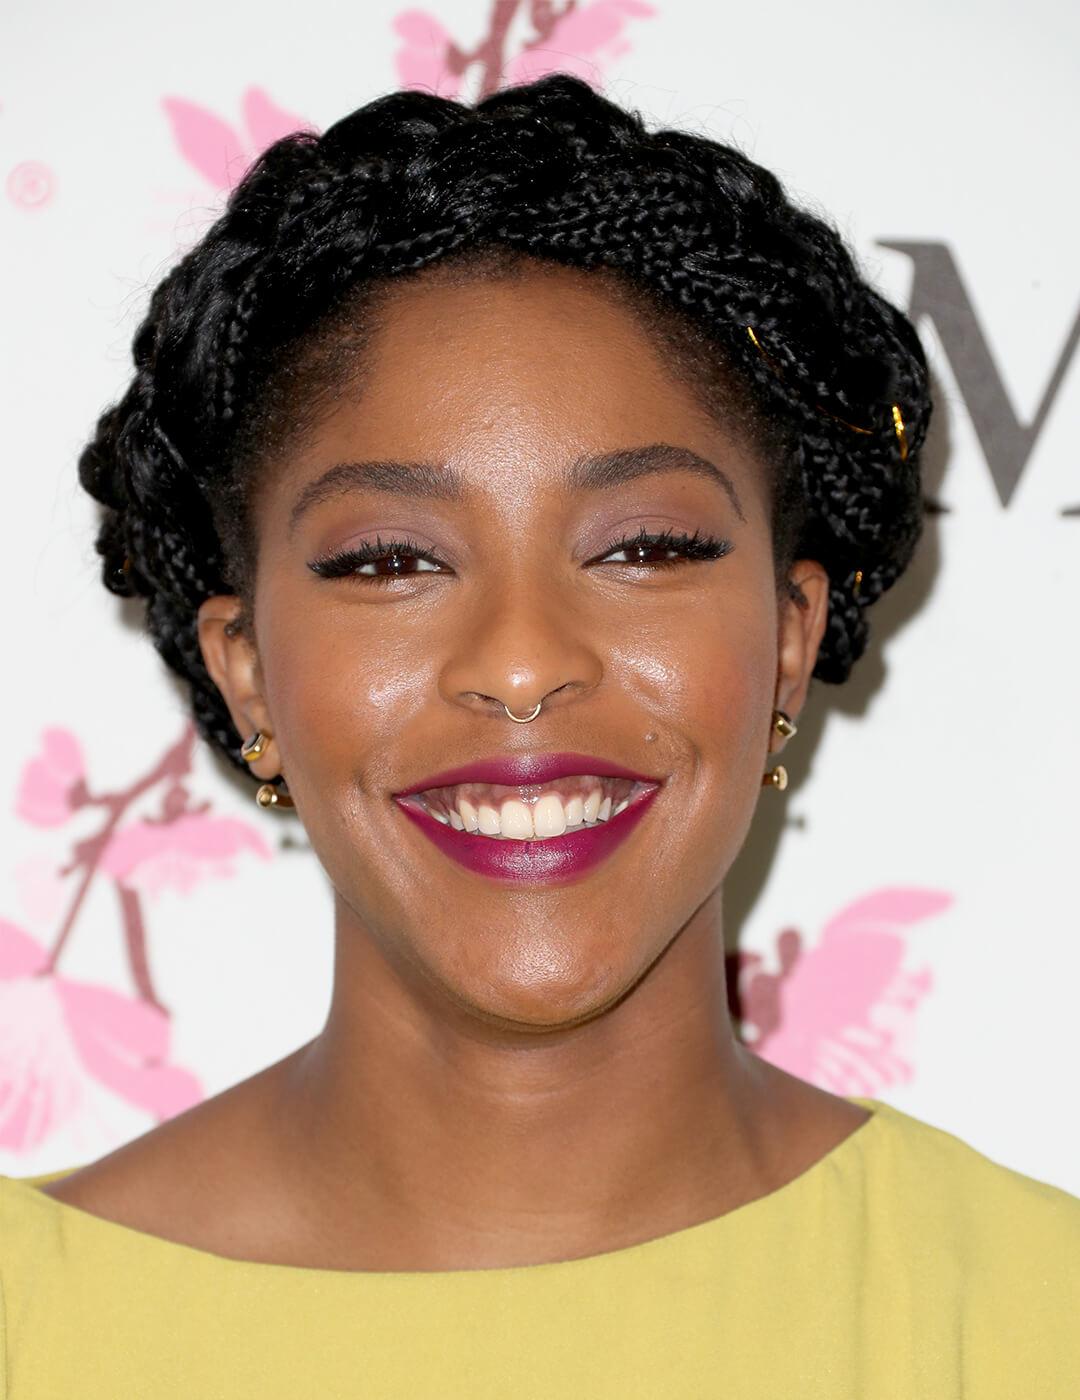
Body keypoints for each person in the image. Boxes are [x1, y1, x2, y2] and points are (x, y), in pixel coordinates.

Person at [1, 72, 1076, 1399]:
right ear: (248, 675)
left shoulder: (1038, 1318)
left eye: (645, 546)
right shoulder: (30, 1327)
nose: (521, 664)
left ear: (790, 637)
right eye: (391, 561)